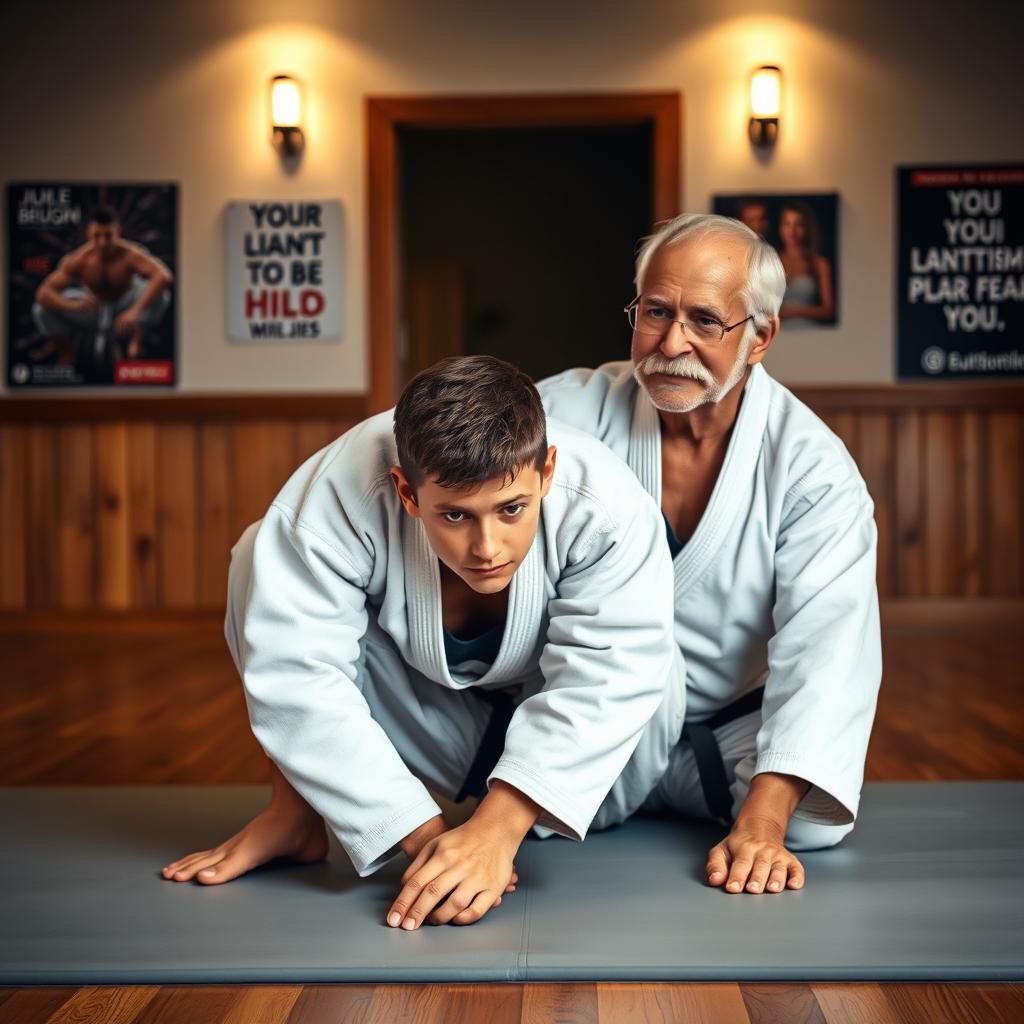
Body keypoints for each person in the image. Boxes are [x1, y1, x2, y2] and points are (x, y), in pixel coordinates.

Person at [162, 355, 686, 931]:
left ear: (547, 471)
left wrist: (495, 831)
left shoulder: (606, 503)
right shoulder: (338, 494)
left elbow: (613, 672)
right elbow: (297, 669)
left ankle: (510, 810)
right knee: (261, 555)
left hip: (600, 769)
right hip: (447, 732)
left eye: (512, 509)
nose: (487, 547)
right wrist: (427, 841)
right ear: (407, 494)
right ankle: (295, 816)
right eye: (455, 516)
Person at [538, 212, 881, 897]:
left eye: (705, 321)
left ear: (761, 337)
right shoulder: (568, 415)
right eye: (655, 312)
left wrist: (765, 817)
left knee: (812, 825)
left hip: (731, 735)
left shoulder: (811, 466)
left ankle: (738, 799)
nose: (672, 343)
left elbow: (828, 644)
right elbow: (435, 452)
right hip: (603, 710)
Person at [32, 205, 173, 369]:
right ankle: (66, 352)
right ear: (88, 234)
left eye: (108, 236)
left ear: (118, 232)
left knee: (162, 295)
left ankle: (138, 339)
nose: (103, 242)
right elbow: (43, 293)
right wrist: (74, 305)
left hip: (125, 304)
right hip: (93, 308)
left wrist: (134, 311)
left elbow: (164, 276)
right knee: (40, 309)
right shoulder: (79, 259)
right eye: (97, 236)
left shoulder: (131, 254)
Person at [777, 200, 835, 325]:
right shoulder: (770, 263)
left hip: (811, 332)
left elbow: (829, 310)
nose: (792, 232)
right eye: (787, 224)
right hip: (778, 336)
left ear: (807, 228)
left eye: (799, 225)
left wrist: (791, 311)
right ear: (780, 227)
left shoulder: (819, 263)